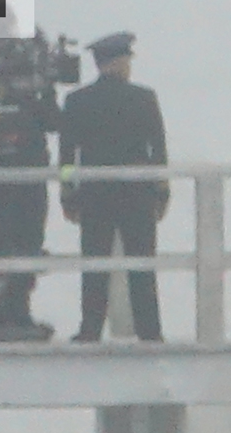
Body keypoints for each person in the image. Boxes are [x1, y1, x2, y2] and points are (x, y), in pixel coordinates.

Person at [59, 32, 168, 342]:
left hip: (94, 196)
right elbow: (157, 151)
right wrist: (161, 190)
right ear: (120, 62)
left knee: (94, 267)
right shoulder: (144, 98)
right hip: (138, 195)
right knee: (142, 268)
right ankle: (151, 332)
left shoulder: (77, 101)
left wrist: (68, 192)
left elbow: (68, 157)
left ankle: (90, 330)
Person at [0, 35, 63, 334]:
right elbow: (53, 121)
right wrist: (46, 92)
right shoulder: (31, 86)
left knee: (4, 239)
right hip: (30, 166)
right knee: (27, 240)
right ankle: (15, 309)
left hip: (2, 169)